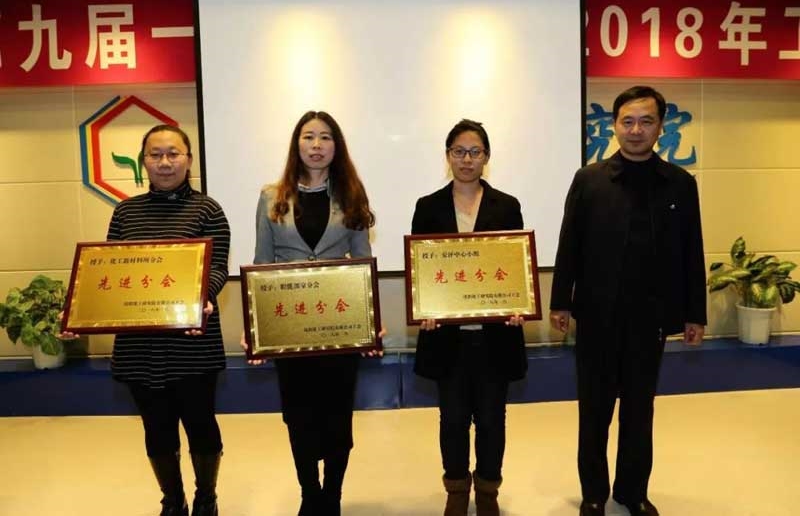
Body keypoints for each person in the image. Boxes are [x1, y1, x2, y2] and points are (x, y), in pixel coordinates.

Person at [549, 86, 706, 516]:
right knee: (594, 410)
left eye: (646, 121)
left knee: (639, 410)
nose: (636, 130)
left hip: (650, 317)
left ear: (660, 127)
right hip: (597, 315)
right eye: (628, 121)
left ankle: (632, 492)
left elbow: (692, 250)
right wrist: (561, 301)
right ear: (614, 125)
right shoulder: (590, 179)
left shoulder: (679, 184)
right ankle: (594, 493)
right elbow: (569, 244)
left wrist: (695, 313)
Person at [61, 124, 230, 516]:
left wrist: (204, 297)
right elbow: (109, 273)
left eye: (173, 153)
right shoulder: (126, 212)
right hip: (140, 344)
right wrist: (80, 310)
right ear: (144, 161)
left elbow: (217, 267)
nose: (165, 162)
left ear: (189, 159)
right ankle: (172, 500)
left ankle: (206, 497)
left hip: (192, 339)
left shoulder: (208, 209)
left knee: (201, 424)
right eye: (155, 154)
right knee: (156, 429)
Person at [241, 110, 380, 516]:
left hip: (339, 324)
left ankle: (332, 495)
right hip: (290, 326)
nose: (316, 145)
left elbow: (363, 262)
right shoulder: (271, 196)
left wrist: (372, 321)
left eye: (325, 137)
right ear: (296, 144)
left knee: (338, 416)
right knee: (298, 417)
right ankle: (309, 493)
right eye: (308, 137)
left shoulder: (351, 194)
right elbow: (262, 264)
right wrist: (255, 327)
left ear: (337, 146)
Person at [411, 119, 527, 516]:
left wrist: (518, 303)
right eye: (459, 151)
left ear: (486, 157)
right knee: (453, 419)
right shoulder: (427, 207)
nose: (466, 159)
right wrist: (424, 308)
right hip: (448, 337)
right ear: (448, 156)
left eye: (475, 152)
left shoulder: (507, 206)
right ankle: (457, 489)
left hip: (496, 336)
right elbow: (422, 269)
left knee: (493, 419)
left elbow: (514, 265)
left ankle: (489, 490)